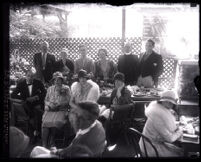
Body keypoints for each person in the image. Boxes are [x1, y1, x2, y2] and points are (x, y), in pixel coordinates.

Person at [30, 101, 106, 158]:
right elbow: (71, 149)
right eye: (75, 113)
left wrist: (57, 152)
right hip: (71, 153)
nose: (74, 117)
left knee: (36, 153)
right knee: (37, 149)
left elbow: (71, 152)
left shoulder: (85, 140)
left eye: (77, 115)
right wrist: (59, 151)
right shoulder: (96, 123)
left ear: (88, 119)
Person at [139, 90, 184, 157]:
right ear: (164, 101)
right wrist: (180, 131)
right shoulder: (158, 114)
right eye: (170, 103)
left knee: (180, 150)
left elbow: (165, 128)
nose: (171, 105)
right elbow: (170, 139)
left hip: (152, 143)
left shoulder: (158, 109)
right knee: (180, 154)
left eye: (171, 103)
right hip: (150, 148)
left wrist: (176, 128)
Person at [11, 67, 46, 140]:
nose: (30, 78)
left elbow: (44, 93)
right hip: (27, 105)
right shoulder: (21, 84)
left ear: (34, 76)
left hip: (37, 103)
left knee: (35, 112)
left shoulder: (38, 82)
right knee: (36, 113)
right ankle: (37, 133)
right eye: (28, 76)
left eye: (32, 76)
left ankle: (34, 134)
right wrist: (25, 99)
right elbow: (13, 94)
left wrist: (37, 97)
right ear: (25, 76)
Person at [99, 72, 132, 144]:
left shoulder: (127, 92)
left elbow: (124, 104)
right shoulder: (114, 91)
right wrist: (103, 108)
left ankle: (106, 139)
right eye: (115, 81)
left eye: (118, 81)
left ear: (122, 82)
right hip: (111, 111)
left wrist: (119, 92)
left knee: (103, 118)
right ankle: (100, 137)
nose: (116, 83)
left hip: (120, 114)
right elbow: (109, 103)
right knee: (99, 115)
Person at [41, 71, 71, 148]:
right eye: (55, 80)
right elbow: (45, 100)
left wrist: (60, 104)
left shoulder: (66, 88)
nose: (57, 81)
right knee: (45, 123)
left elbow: (69, 101)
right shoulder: (50, 88)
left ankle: (51, 140)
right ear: (53, 81)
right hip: (50, 109)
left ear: (62, 80)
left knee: (55, 122)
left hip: (61, 110)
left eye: (59, 80)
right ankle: (44, 144)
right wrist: (49, 105)